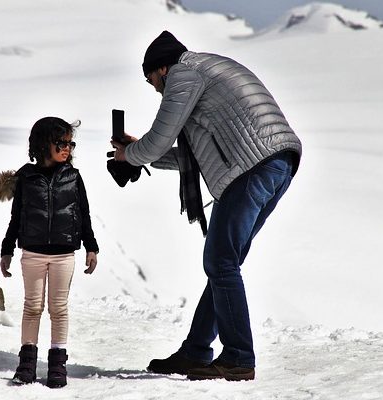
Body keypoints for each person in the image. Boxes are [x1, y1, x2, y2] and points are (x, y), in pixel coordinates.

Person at [111, 31, 302, 381]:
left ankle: (239, 358)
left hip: (251, 166)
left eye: (150, 78)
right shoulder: (205, 69)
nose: (152, 87)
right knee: (224, 264)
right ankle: (196, 352)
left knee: (221, 262)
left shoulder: (184, 74)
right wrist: (140, 154)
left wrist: (131, 156)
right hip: (274, 162)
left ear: (162, 69)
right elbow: (190, 154)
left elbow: (158, 141)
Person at [0, 116, 99, 388]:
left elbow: (83, 214)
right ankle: (26, 365)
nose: (67, 148)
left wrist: (91, 246)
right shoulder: (27, 177)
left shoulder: (73, 177)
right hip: (32, 253)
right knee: (33, 307)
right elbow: (16, 217)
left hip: (64, 254)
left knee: (59, 308)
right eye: (61, 143)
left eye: (70, 143)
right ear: (43, 144)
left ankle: (57, 366)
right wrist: (7, 249)